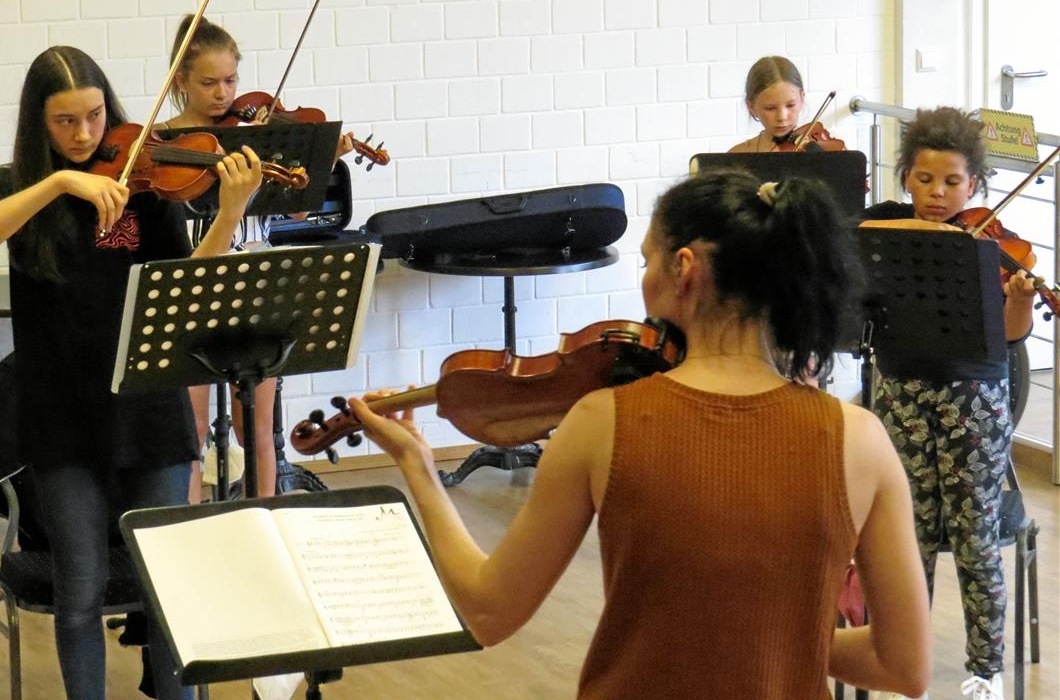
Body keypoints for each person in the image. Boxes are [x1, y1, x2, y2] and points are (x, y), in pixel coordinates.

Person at [351, 169, 932, 698]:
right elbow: (904, 665)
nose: (645, 279)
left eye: (648, 260)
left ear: (684, 268)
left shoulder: (602, 423)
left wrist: (418, 467)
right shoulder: (861, 439)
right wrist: (776, 638)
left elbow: (487, 612)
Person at [0, 45, 261, 700]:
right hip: (61, 421)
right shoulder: (13, 187)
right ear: (38, 124)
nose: (86, 134)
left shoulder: (143, 183)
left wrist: (230, 212)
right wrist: (63, 182)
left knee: (163, 585)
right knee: (81, 587)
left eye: (94, 115)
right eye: (65, 122)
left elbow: (186, 286)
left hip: (148, 408)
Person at [859, 107, 1036, 700]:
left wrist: (1015, 297)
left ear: (975, 186)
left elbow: (1012, 337)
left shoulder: (986, 249)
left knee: (974, 535)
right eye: (926, 179)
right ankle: (905, 655)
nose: (938, 194)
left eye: (953, 182)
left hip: (974, 400)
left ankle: (984, 670)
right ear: (905, 176)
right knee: (909, 532)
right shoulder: (880, 237)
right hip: (903, 391)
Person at [163, 14, 353, 500]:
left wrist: (320, 158)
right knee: (190, 431)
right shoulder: (164, 143)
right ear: (181, 80)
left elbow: (297, 190)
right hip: (194, 287)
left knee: (260, 429)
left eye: (231, 81)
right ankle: (191, 531)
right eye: (209, 82)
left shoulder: (256, 135)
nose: (223, 94)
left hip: (257, 281)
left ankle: (268, 519)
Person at [729, 55, 807, 153]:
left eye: (790, 105)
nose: (782, 117)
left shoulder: (819, 149)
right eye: (770, 108)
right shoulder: (739, 154)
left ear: (802, 98)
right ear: (752, 107)